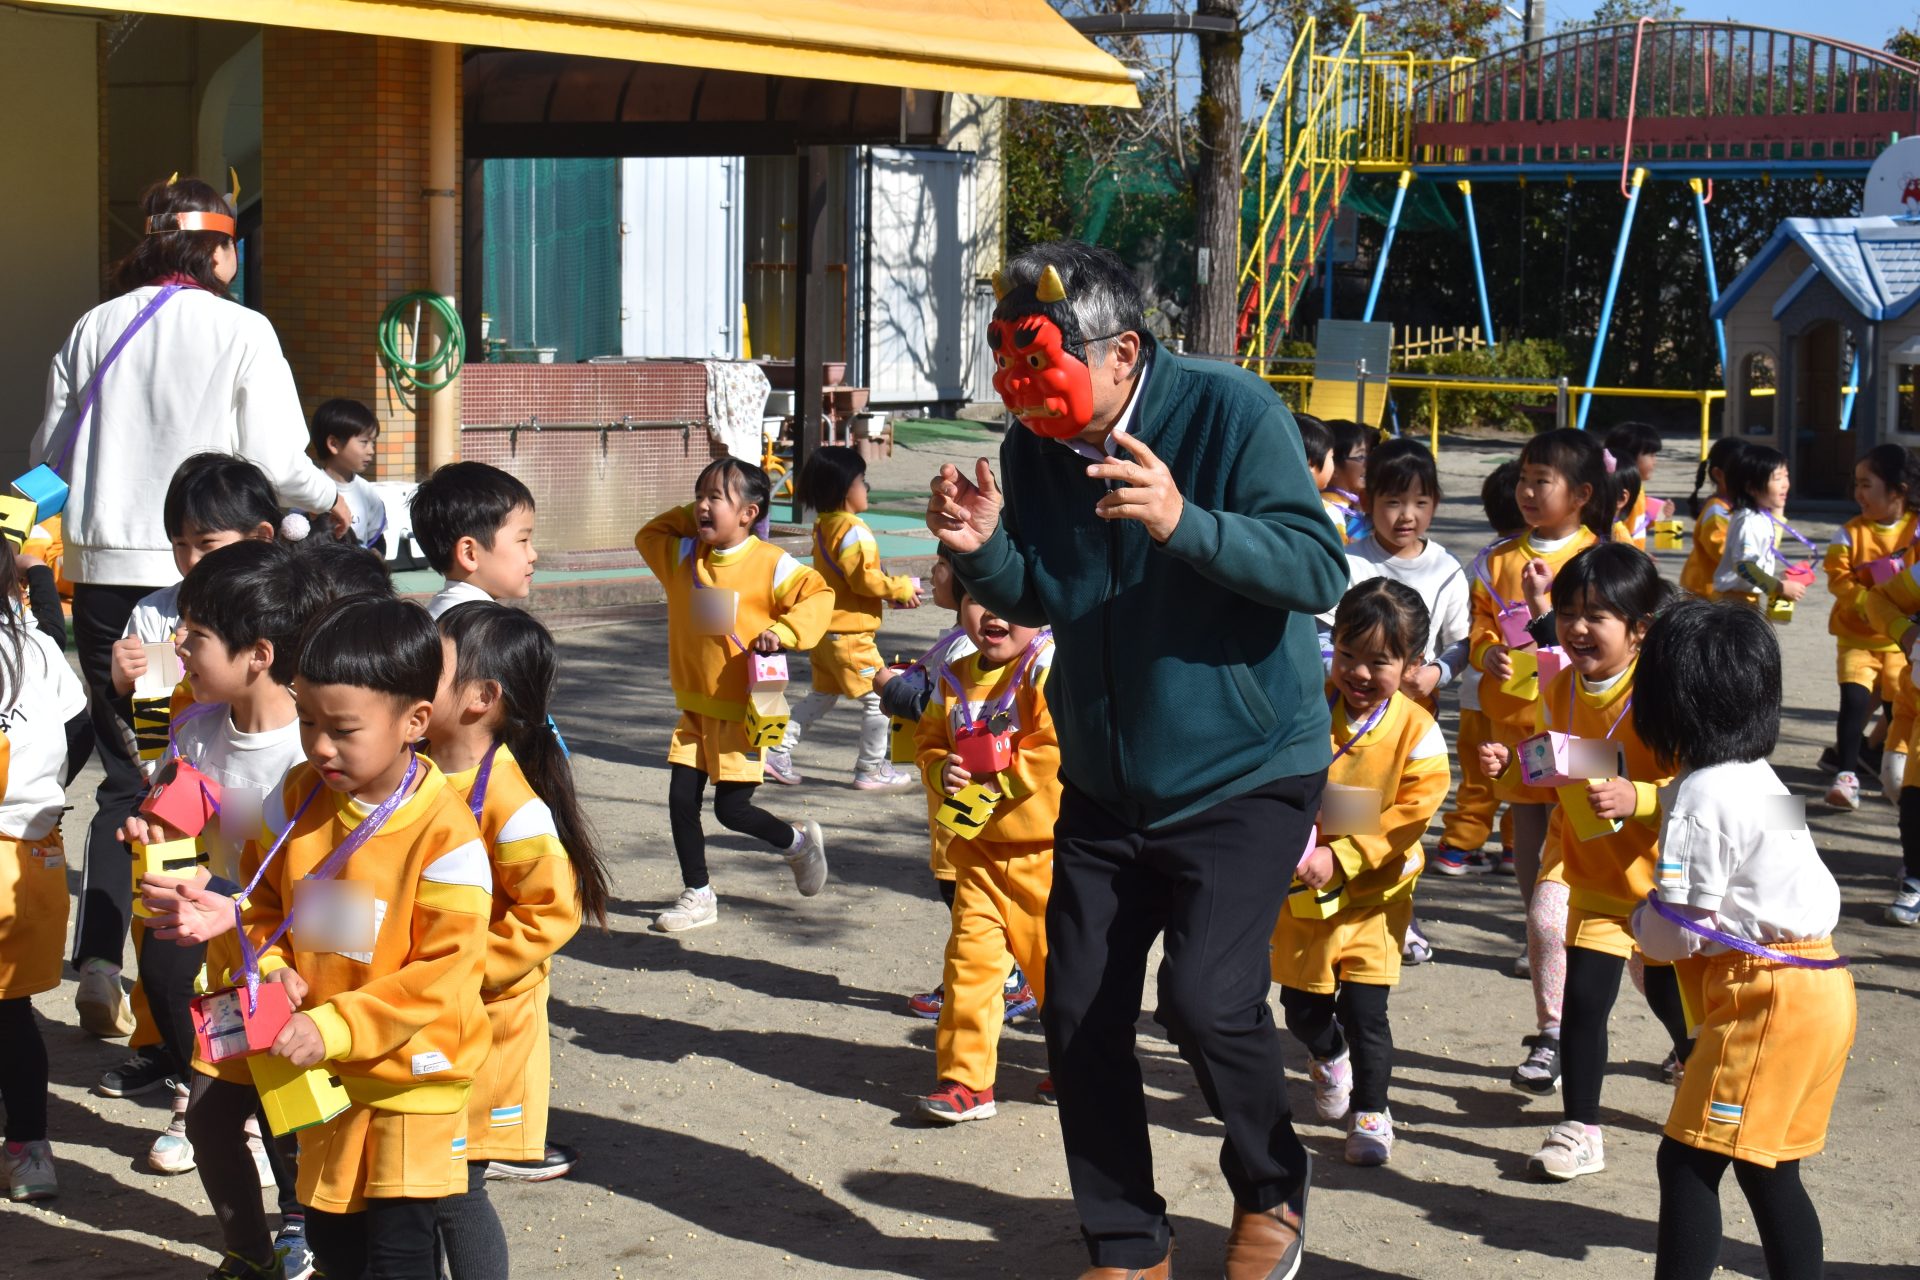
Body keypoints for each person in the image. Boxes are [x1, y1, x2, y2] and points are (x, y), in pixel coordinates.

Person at [929, 241, 1346, 1280]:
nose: (1021, 388)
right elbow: (1046, 590)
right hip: (1110, 774)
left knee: (1205, 997)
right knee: (1078, 1010)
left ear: (1121, 352)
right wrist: (986, 548)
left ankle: (1271, 1185)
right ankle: (1126, 1235)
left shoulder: (1230, 411)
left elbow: (1317, 565)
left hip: (1248, 764)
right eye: (1008, 363)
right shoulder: (1032, 447)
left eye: (1040, 361)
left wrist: (1184, 521)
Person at [30, 177, 344, 1048]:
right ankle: (186, 1013)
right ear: (218, 250)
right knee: (196, 777)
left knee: (140, 777)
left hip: (104, 586)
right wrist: (335, 499)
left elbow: (43, 455)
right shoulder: (242, 328)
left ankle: (102, 960)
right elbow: (281, 461)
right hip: (211, 588)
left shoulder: (94, 326)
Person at [242, 596, 492, 1280]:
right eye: (308, 721)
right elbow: (259, 905)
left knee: (400, 1248)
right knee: (332, 1235)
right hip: (321, 1071)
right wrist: (271, 966)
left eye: (343, 729)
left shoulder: (446, 837)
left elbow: (444, 973)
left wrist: (338, 1026)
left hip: (412, 1077)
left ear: (415, 721)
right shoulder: (295, 797)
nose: (320, 744)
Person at [1631, 598, 1855, 1280]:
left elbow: (1682, 929)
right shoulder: (1767, 780)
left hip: (1769, 998)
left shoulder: (1701, 792)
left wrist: (1643, 922)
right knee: (1767, 1167)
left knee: (1688, 1158)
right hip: (1821, 983)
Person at [125, 539, 326, 1275]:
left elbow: (342, 894)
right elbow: (178, 822)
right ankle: (247, 1253)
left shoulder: (318, 754)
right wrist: (147, 834)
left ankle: (303, 1229)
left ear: (259, 654)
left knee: (296, 1119)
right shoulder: (193, 730)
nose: (176, 644)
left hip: (298, 975)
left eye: (196, 634)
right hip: (227, 976)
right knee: (211, 1122)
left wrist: (232, 910)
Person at [1480, 544, 1692, 1177]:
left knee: (1666, 993)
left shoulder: (1666, 693)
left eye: (1598, 614)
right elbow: (1568, 756)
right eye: (1570, 612)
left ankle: (1696, 1061)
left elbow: (1702, 791)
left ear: (1640, 627)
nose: (1576, 627)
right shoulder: (1562, 682)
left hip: (1662, 881)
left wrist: (1640, 795)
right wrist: (1514, 765)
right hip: (1591, 874)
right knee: (1585, 1002)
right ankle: (1580, 1128)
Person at [85, 454, 283, 1102]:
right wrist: (122, 689)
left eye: (208, 543)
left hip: (250, 854)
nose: (183, 648)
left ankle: (238, 1106)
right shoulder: (164, 645)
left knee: (256, 971)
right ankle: (184, 1070)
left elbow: (332, 913)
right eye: (180, 545)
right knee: (170, 961)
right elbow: (156, 735)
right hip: (190, 811)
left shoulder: (299, 745)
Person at [427, 603, 612, 1272]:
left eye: (432, 663)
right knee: (412, 1187)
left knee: (455, 1188)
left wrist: (468, 971)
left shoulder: (512, 803)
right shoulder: (413, 770)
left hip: (485, 1027)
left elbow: (549, 912)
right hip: (421, 1013)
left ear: (482, 698)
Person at [1276, 579, 1448, 1167]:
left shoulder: (1417, 733)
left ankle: (1373, 1113)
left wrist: (1344, 851)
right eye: (1348, 655)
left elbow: (1411, 814)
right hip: (1304, 891)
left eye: (1380, 662)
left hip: (1376, 896)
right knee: (1301, 1009)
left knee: (1367, 1012)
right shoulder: (1305, 701)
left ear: (1412, 664)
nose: (1358, 673)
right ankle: (1327, 1055)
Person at [634, 458, 833, 934]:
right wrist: (700, 515)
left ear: (749, 512)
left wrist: (783, 631)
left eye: (715, 498)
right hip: (695, 710)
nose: (702, 506)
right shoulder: (683, 556)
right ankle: (698, 893)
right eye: (698, 495)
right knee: (681, 799)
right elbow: (648, 535)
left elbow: (819, 595)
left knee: (731, 810)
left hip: (746, 711)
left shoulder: (770, 562)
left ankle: (798, 844)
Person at [912, 583, 1058, 1123]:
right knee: (969, 966)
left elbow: (1052, 745)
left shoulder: (1047, 666)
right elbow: (929, 740)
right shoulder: (953, 674)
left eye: (1012, 601)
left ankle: (1078, 1065)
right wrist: (938, 769)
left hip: (1047, 857)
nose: (992, 613)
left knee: (1058, 975)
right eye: (977, 599)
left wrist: (1000, 782)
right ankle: (967, 1082)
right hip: (976, 854)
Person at [1469, 428, 1610, 985]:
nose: (1526, 492)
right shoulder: (1498, 559)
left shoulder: (1600, 558)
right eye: (1523, 479)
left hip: (1583, 715)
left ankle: (1588, 925)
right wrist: (1488, 655)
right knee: (1528, 816)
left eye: (1541, 482)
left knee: (1579, 816)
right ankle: (1540, 928)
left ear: (1580, 495)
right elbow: (1477, 623)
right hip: (1517, 717)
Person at [0, 537, 94, 1202]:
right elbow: (79, 729)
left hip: (12, 848)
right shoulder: (35, 648)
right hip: (35, 848)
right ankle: (30, 1147)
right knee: (12, 1014)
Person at [764, 445, 923, 790]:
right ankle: (871, 768)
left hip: (825, 632)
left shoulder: (825, 525)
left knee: (821, 698)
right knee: (881, 698)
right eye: (862, 481)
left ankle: (776, 749)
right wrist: (899, 588)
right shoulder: (853, 528)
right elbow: (863, 578)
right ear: (844, 487)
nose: (867, 488)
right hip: (851, 636)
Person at [1816, 444, 1920, 811]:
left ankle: (1899, 774)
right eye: (1856, 484)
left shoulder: (1916, 531)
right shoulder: (1848, 533)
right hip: (1855, 636)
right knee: (1855, 700)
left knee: (1897, 707)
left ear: (1898, 490)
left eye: (1866, 484)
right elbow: (1837, 578)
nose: (1858, 493)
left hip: (1899, 642)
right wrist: (1864, 603)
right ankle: (1846, 775)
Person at [1433, 461, 1524, 876]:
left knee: (1478, 776)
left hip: (1476, 693)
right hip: (1515, 693)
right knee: (1524, 772)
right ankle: (1513, 847)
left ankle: (1460, 846)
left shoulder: (1482, 561)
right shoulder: (1523, 563)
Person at [408, 462, 538, 618]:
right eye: (523, 540)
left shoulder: (434, 617)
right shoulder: (489, 632)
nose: (533, 555)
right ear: (469, 553)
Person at [1712, 444, 1812, 611]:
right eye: (1777, 478)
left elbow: (1770, 546)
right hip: (1732, 602)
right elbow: (1744, 566)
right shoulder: (1748, 520)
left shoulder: (1761, 515)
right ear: (1751, 487)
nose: (1785, 484)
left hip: (1744, 600)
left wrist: (1779, 513)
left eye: (1786, 476)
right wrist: (1778, 587)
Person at [309, 399, 387, 550]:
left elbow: (376, 542)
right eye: (364, 442)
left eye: (373, 443)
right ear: (334, 444)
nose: (371, 451)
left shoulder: (367, 492)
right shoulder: (310, 487)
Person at [1680, 437, 1746, 599]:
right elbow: (1722, 552)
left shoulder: (1732, 508)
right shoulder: (1717, 511)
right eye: (1744, 474)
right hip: (1707, 596)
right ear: (1718, 474)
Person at [1604, 422, 1664, 549]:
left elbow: (1636, 525)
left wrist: (1657, 515)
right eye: (1651, 455)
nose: (1655, 461)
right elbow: (1619, 533)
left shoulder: (1638, 488)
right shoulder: (1622, 493)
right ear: (1629, 457)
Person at [1320, 419, 1373, 544]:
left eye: (1367, 456)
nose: (1367, 463)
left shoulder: (1352, 505)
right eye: (1360, 457)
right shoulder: (1329, 511)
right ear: (1332, 467)